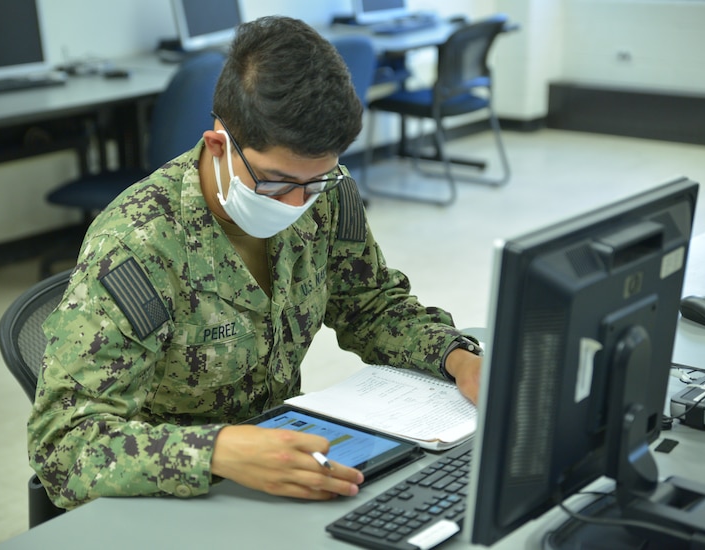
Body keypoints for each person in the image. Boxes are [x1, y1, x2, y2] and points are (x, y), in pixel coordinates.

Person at [27, 15, 481, 510]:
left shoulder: (328, 191)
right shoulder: (139, 244)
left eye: (313, 183)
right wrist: (216, 453)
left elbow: (370, 305)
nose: (295, 206)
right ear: (220, 144)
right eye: (276, 183)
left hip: (283, 472)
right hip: (173, 494)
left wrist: (458, 360)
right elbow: (63, 448)